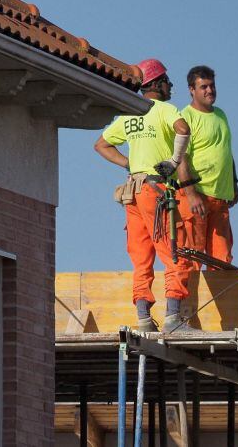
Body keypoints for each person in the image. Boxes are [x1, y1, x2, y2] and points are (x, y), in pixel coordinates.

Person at [94, 58, 197, 332]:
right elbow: (183, 129)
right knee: (173, 251)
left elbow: (101, 145)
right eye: (167, 81)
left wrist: (128, 163)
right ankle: (173, 319)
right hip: (156, 191)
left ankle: (143, 318)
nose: (171, 85)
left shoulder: (130, 113)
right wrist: (174, 161)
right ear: (157, 84)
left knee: (141, 255)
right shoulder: (163, 109)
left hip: (134, 192)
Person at [178, 65, 238, 266]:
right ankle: (187, 298)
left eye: (212, 86)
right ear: (191, 90)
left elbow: (226, 151)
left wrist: (234, 184)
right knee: (192, 256)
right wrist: (191, 194)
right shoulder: (186, 117)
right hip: (197, 196)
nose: (210, 91)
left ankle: (222, 298)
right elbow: (180, 158)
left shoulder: (221, 115)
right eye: (203, 87)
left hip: (219, 197)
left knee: (222, 260)